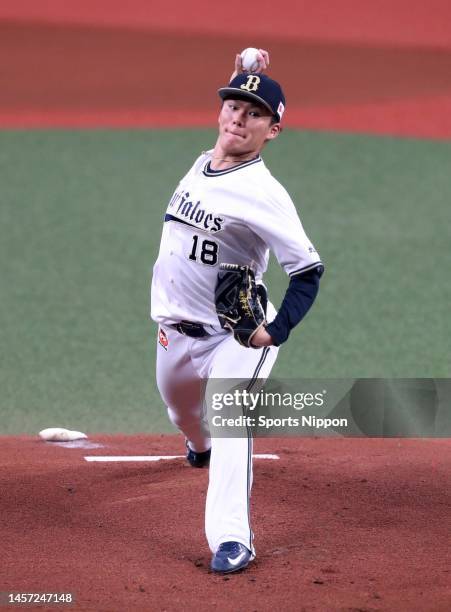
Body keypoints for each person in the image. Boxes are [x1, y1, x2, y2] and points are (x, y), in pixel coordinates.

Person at [151, 50, 324, 573]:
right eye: (233, 106)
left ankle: (233, 538)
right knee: (181, 411)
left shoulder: (264, 194)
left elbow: (308, 269)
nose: (238, 118)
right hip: (175, 331)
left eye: (254, 114)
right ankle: (195, 445)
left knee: (232, 422)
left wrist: (277, 330)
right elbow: (241, 91)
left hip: (235, 337)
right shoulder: (205, 161)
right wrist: (246, 65)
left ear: (273, 130)